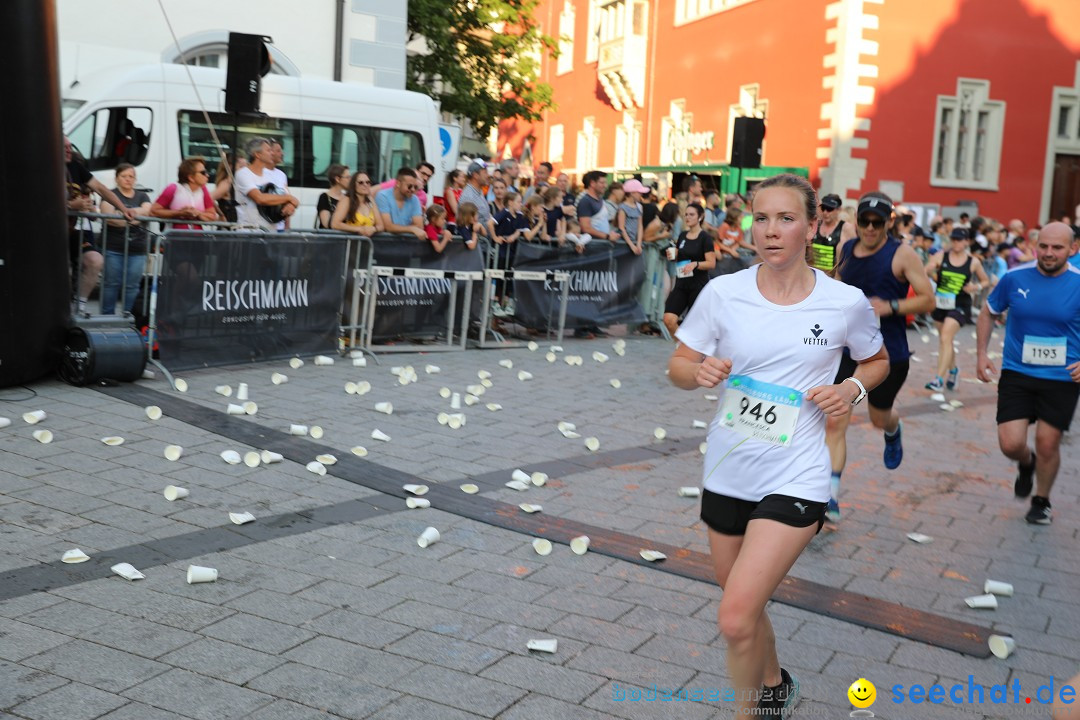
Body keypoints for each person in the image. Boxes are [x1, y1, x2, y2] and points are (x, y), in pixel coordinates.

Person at [669, 173, 888, 718]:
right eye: (760, 218)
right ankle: (773, 684)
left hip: (798, 472)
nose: (770, 231)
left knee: (735, 615)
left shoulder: (845, 302)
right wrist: (697, 374)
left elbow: (877, 361)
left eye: (785, 218)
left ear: (813, 226)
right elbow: (677, 364)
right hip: (728, 469)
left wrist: (851, 388)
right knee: (744, 605)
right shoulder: (723, 292)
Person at [824, 191, 935, 521]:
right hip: (848, 350)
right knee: (835, 419)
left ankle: (892, 427)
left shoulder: (903, 255)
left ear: (888, 222)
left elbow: (928, 300)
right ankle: (829, 496)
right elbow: (838, 286)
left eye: (876, 223)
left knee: (877, 417)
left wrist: (892, 306)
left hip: (889, 353)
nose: (869, 229)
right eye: (863, 222)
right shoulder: (846, 248)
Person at [976, 222, 1080, 525]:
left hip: (1062, 377)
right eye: (1043, 246)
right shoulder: (1014, 276)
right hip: (1017, 373)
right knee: (1010, 444)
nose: (1048, 253)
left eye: (1057, 248)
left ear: (1072, 249)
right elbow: (988, 311)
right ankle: (1026, 463)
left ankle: (1041, 500)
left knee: (1048, 442)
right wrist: (982, 353)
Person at [64, 136, 137, 315]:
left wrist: (123, 209)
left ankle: (79, 307)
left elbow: (102, 189)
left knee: (95, 260)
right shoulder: (46, 166)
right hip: (52, 231)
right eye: (63, 146)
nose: (68, 150)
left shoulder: (75, 166)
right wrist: (71, 206)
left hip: (77, 231)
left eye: (69, 147)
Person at [924, 227, 992, 391]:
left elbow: (985, 281)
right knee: (945, 340)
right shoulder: (942, 255)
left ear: (966, 242)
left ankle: (938, 379)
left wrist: (975, 286)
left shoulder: (973, 261)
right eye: (953, 239)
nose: (956, 243)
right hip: (941, 303)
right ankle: (954, 370)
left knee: (946, 336)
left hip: (961, 304)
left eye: (959, 240)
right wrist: (933, 271)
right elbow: (927, 269)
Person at [99, 163, 152, 317]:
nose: (128, 179)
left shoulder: (143, 196)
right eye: (124, 176)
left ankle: (129, 319)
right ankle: (106, 318)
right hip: (113, 247)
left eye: (131, 176)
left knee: (132, 286)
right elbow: (109, 217)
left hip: (137, 248)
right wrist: (135, 217)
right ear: (117, 178)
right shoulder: (110, 194)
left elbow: (147, 211)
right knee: (111, 284)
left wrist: (122, 215)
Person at [662, 203, 716, 337]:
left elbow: (711, 263)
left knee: (694, 325)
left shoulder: (705, 238)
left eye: (691, 214)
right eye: (686, 214)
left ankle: (691, 352)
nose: (687, 217)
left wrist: (696, 264)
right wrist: (673, 255)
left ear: (700, 217)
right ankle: (682, 346)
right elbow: (680, 257)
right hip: (681, 283)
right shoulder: (682, 235)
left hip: (698, 285)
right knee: (668, 319)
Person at [233, 137, 299, 231]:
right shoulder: (243, 174)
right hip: (249, 234)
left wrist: (290, 206)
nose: (272, 153)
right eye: (268, 150)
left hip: (270, 233)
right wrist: (289, 198)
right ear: (257, 154)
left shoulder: (272, 175)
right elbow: (260, 198)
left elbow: (291, 200)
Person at [150, 156, 219, 230]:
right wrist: (179, 213)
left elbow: (212, 216)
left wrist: (198, 213)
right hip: (174, 238)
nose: (207, 175)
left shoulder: (203, 190)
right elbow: (153, 211)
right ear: (191, 178)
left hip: (197, 238)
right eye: (203, 173)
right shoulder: (173, 188)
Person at [809, 193, 856, 272]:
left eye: (829, 209)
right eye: (823, 208)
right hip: (814, 274)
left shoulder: (846, 228)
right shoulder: (816, 225)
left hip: (833, 277)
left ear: (838, 210)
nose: (825, 212)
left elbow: (854, 253)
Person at [375, 167, 425, 239]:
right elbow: (388, 226)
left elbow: (419, 226)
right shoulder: (383, 196)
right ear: (398, 183)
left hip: (406, 245)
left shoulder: (414, 199)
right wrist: (412, 229)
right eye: (409, 186)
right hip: (385, 244)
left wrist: (399, 228)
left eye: (415, 187)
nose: (413, 190)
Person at [331, 171, 385, 237]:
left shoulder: (370, 200)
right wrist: (359, 229)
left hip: (367, 244)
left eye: (368, 182)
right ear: (354, 185)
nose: (365, 185)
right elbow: (335, 224)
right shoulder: (347, 200)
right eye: (361, 183)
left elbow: (381, 226)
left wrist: (373, 229)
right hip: (350, 242)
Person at [459, 160, 498, 240]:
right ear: (475, 175)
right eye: (485, 172)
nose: (488, 175)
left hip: (483, 246)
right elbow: (466, 225)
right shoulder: (469, 197)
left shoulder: (479, 192)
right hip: (476, 248)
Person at [577, 171, 620, 243]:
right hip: (593, 245)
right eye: (602, 183)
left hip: (602, 245)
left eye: (605, 183)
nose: (605, 186)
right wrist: (607, 236)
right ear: (592, 183)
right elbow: (585, 227)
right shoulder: (586, 201)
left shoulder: (601, 200)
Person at [616, 179, 647, 256]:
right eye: (639, 192)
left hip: (634, 242)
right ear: (632, 193)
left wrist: (639, 244)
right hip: (623, 242)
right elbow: (621, 228)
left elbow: (640, 226)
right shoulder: (622, 207)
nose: (641, 194)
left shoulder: (639, 207)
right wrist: (632, 246)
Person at [211, 153, 245, 222]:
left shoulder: (236, 183)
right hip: (228, 226)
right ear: (230, 166)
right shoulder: (226, 184)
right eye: (241, 166)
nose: (245, 170)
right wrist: (221, 215)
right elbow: (209, 198)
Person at [316, 164, 350, 229]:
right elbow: (326, 223)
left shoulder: (347, 198)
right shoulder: (324, 197)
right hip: (329, 237)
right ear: (337, 179)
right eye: (347, 177)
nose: (350, 180)